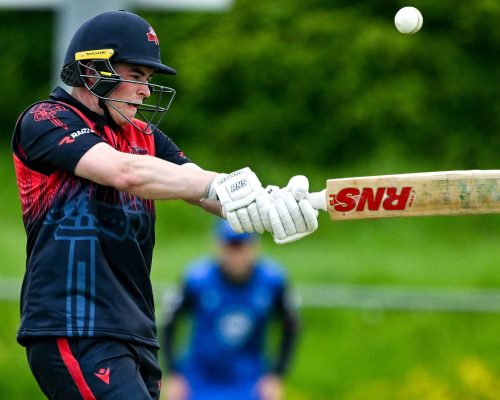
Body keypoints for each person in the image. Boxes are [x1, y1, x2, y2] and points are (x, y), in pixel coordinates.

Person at [11, 10, 317, 400]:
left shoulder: (145, 137)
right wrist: (221, 184)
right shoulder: (47, 119)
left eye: (148, 80)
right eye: (136, 76)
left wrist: (270, 203)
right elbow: (127, 173)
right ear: (92, 73)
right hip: (75, 326)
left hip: (135, 332)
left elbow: (203, 190)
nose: (145, 90)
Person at [161, 219, 300, 400]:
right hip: (200, 379)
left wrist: (276, 375)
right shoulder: (197, 279)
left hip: (248, 380)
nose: (236, 254)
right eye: (230, 246)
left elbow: (291, 325)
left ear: (254, 246)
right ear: (218, 246)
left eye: (241, 246)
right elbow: (169, 321)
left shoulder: (272, 281)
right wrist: (174, 373)